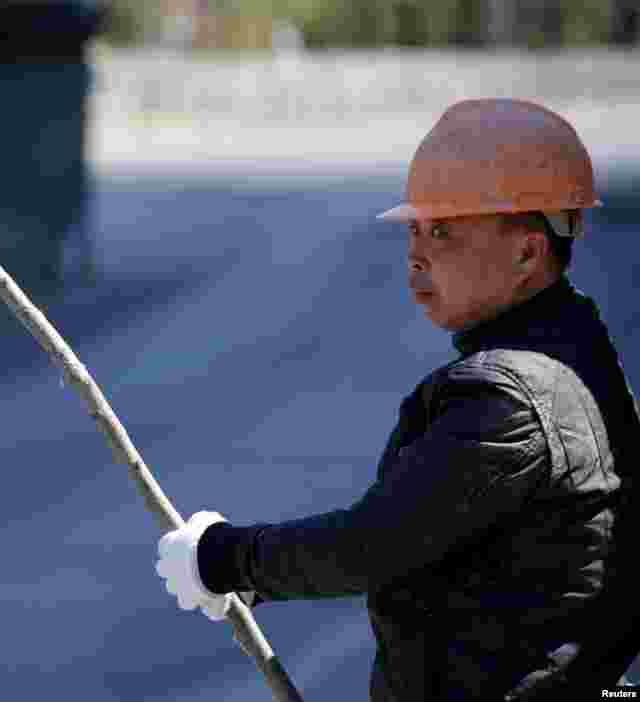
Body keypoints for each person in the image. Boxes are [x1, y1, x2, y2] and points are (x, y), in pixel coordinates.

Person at [155, 98, 640, 700]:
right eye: (415, 228)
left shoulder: (512, 396)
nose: (417, 253)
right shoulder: (581, 353)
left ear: (526, 253)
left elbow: (374, 543)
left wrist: (226, 559)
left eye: (444, 231)